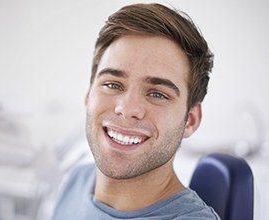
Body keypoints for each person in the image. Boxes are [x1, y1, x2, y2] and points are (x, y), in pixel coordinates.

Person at [52, 3, 220, 220]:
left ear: (190, 120)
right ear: (88, 94)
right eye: (113, 84)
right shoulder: (77, 181)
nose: (126, 109)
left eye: (158, 94)